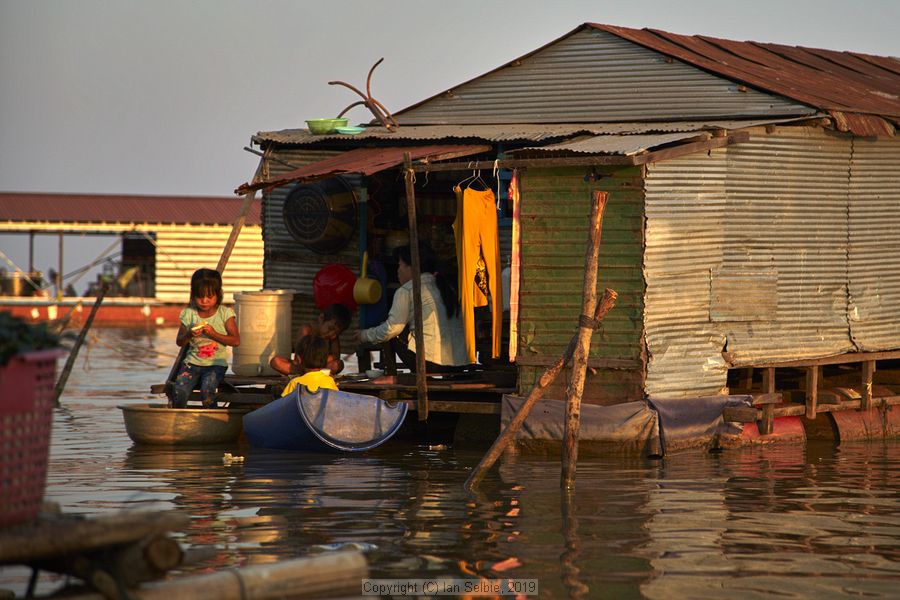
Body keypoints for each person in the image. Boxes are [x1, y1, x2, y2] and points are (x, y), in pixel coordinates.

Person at [354, 242, 468, 372]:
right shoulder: (448, 288)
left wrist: (364, 335)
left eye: (400, 265)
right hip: (460, 363)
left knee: (392, 328)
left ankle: (392, 374)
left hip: (429, 363)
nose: (398, 270)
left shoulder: (407, 290)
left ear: (412, 267)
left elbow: (391, 330)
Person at [171, 268, 240, 408]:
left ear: (218, 295)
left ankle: (211, 421)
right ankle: (179, 418)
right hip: (191, 363)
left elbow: (235, 341)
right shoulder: (189, 313)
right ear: (193, 295)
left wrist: (213, 334)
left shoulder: (225, 314)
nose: (204, 301)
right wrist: (189, 333)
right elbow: (180, 341)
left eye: (209, 297)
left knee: (207, 391)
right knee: (179, 391)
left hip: (215, 365)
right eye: (199, 297)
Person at [269, 303, 351, 376]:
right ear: (321, 318)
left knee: (338, 364)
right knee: (276, 361)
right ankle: (310, 374)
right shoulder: (307, 330)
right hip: (302, 367)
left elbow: (336, 356)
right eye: (330, 328)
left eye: (336, 333)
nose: (331, 334)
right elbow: (299, 356)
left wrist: (319, 362)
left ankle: (312, 374)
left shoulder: (333, 338)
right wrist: (313, 362)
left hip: (319, 368)